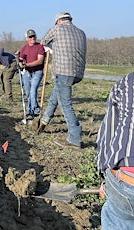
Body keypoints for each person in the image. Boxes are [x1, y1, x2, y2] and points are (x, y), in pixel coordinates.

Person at [35, 12, 87, 149]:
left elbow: (43, 42)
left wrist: (49, 48)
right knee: (55, 96)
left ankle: (74, 138)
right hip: (77, 73)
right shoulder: (81, 32)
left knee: (65, 105)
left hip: (64, 71)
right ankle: (44, 121)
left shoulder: (56, 29)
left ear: (58, 21)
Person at [96, 72, 134, 229]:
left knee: (117, 216)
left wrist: (105, 178)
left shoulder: (127, 83)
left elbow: (108, 136)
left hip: (127, 180)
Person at [19, 29, 45, 120]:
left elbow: (40, 61)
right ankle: (37, 109)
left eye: (34, 36)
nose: (32, 38)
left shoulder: (40, 47)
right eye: (30, 37)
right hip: (27, 72)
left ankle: (30, 111)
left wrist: (28, 64)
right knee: (28, 92)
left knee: (33, 91)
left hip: (37, 72)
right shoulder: (24, 48)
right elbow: (21, 59)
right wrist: (20, 64)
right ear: (27, 38)